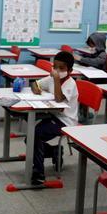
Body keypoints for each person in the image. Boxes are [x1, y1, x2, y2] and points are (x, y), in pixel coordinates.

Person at [28, 51, 79, 185]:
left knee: (36, 135)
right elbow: (35, 83)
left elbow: (58, 98)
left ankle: (38, 172)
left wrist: (56, 79)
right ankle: (55, 151)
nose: (57, 71)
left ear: (70, 70)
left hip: (66, 121)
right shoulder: (51, 78)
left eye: (61, 68)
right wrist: (36, 88)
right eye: (55, 67)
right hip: (54, 115)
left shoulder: (70, 83)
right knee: (30, 138)